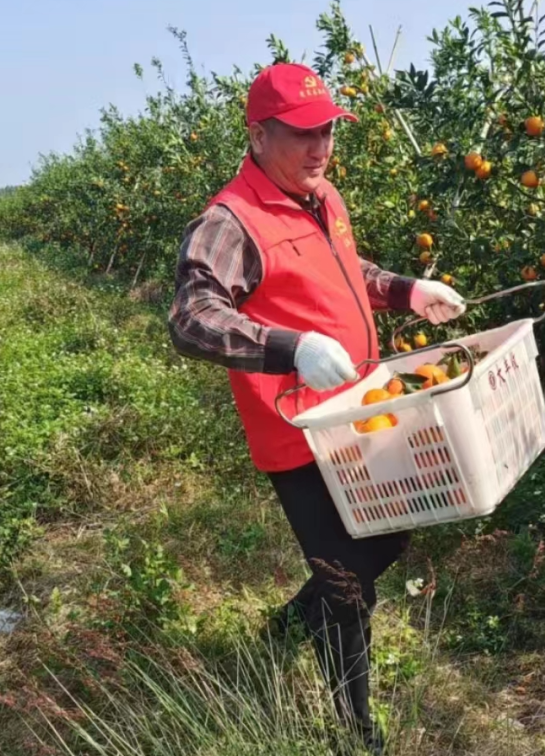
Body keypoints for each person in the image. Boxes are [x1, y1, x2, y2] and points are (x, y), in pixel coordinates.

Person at [167, 62, 465, 754]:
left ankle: (289, 627)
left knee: (387, 540)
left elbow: (343, 273)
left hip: (359, 415)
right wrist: (288, 347)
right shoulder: (230, 220)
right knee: (347, 585)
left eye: (327, 131)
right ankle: (358, 735)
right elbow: (191, 317)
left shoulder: (321, 195)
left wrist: (406, 290)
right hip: (299, 433)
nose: (320, 147)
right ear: (258, 135)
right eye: (302, 134)